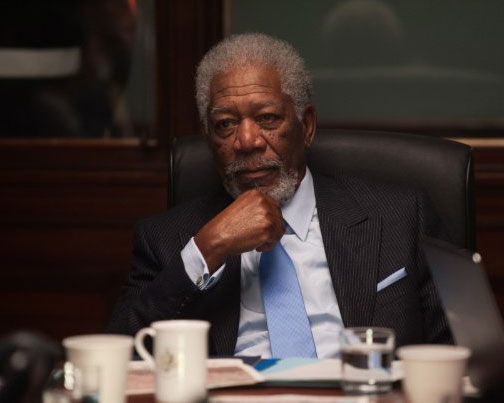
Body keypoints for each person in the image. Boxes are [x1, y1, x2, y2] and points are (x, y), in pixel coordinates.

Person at [106, 33, 451, 358]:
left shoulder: (400, 217)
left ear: (307, 126)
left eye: (267, 118)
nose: (247, 141)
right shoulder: (167, 240)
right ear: (209, 137)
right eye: (225, 124)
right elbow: (121, 355)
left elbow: (459, 356)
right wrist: (208, 249)